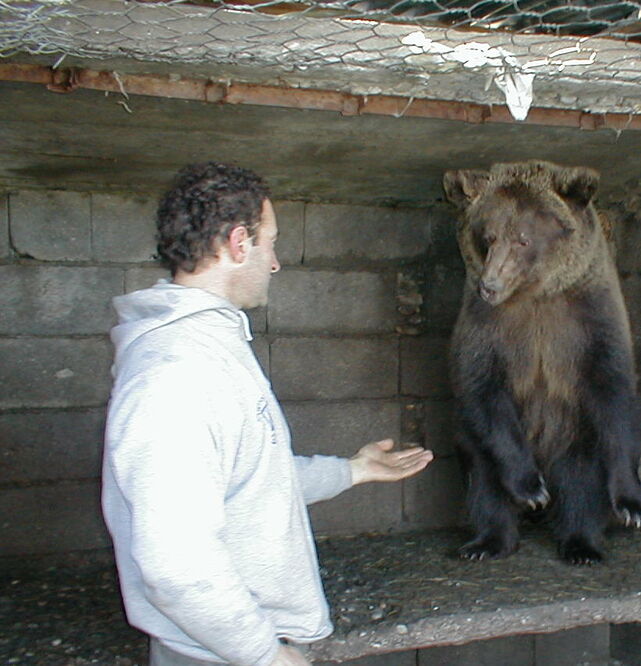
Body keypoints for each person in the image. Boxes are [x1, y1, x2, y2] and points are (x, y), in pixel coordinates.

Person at [102, 162, 433, 666]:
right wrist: (265, 656)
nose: (276, 262)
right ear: (239, 243)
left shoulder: (211, 346)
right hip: (218, 655)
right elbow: (175, 564)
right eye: (270, 242)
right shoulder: (176, 373)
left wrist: (353, 470)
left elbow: (248, 480)